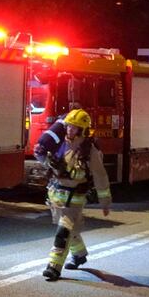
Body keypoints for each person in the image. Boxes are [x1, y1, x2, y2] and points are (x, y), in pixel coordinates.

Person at [33, 108, 111, 281]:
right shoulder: (60, 144)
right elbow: (50, 165)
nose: (69, 130)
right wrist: (41, 156)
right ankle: (79, 255)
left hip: (75, 197)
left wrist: (105, 200)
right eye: (68, 126)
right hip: (56, 194)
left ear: (83, 130)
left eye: (74, 127)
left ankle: (54, 266)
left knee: (63, 231)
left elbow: (100, 175)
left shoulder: (89, 151)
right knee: (71, 230)